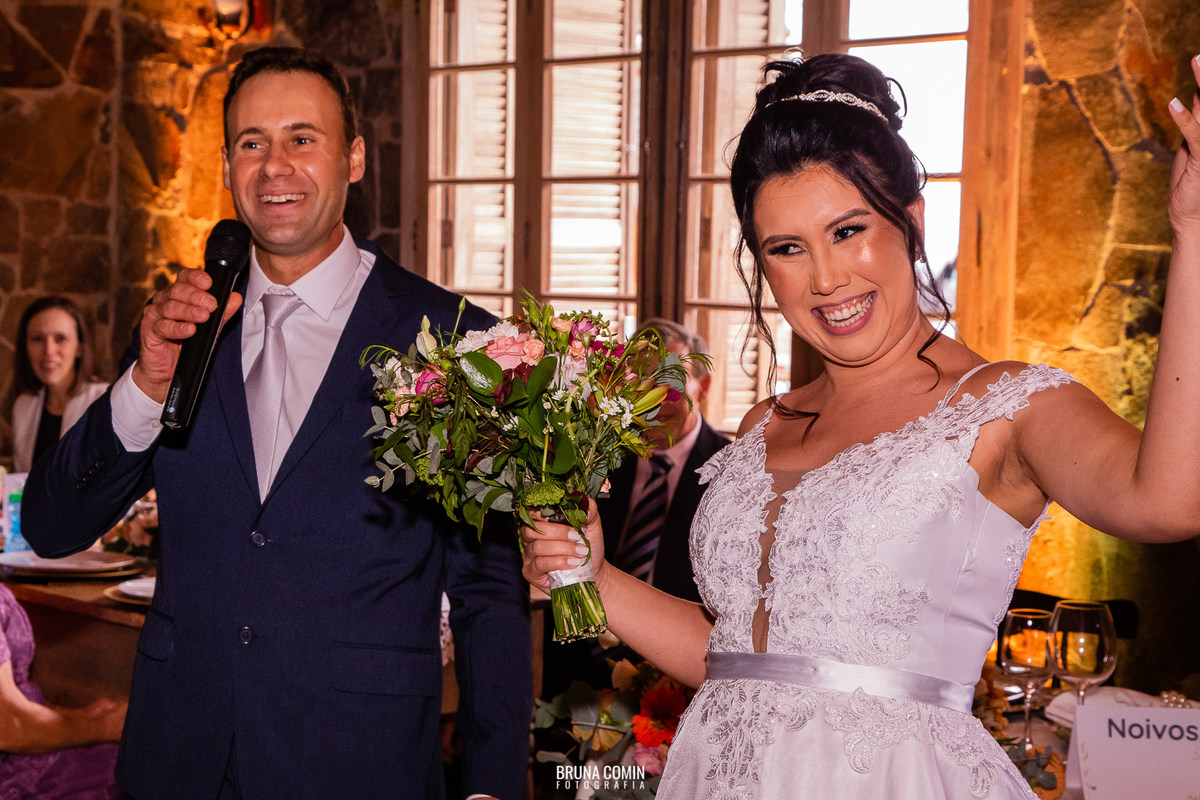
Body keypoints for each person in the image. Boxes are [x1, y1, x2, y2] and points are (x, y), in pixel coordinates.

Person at [521, 51, 1200, 799]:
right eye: (787, 248)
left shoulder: (1004, 407)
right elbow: (740, 658)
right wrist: (597, 577)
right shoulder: (765, 424)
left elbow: (1168, 501)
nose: (826, 279)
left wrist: (1194, 232)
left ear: (912, 219)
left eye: (848, 231)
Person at [21, 46, 530, 800]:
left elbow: (489, 594)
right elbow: (51, 526)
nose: (274, 166)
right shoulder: (182, 324)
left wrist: (492, 785)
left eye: (302, 138)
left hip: (360, 765)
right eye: (252, 143)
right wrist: (144, 385)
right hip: (178, 764)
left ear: (354, 158)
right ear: (227, 167)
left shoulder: (457, 341)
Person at [541, 318, 729, 697]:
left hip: (685, 682)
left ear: (704, 386)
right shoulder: (590, 457)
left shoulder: (732, 471)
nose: (654, 399)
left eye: (671, 381)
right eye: (640, 381)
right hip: (579, 680)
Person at [0, 584, 127, 799]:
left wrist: (81, 715)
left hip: (22, 746)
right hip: (13, 774)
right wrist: (105, 726)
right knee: (136, 766)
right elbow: (9, 727)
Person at [10, 297, 109, 473]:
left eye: (60, 338)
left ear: (79, 348)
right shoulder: (22, 406)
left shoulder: (105, 400)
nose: (48, 351)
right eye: (37, 339)